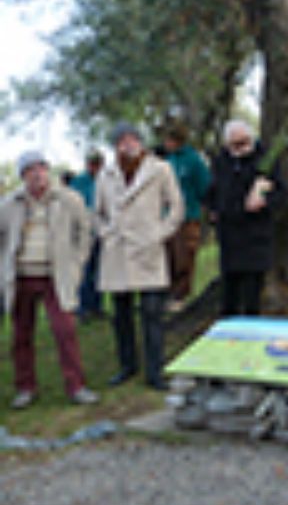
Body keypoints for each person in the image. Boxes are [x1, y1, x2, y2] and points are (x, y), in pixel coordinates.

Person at [0, 150, 100, 408]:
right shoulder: (9, 204)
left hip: (57, 275)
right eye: (30, 170)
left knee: (65, 330)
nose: (37, 174)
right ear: (23, 175)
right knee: (21, 334)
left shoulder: (69, 199)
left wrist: (77, 265)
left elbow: (85, 234)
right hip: (21, 276)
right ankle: (25, 387)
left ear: (48, 170)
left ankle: (76, 386)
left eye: (41, 168)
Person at [95, 122, 183, 391]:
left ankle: (155, 371)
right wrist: (106, 233)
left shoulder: (160, 169)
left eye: (133, 139)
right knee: (121, 314)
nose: (128, 144)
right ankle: (127, 365)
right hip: (117, 251)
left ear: (142, 142)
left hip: (148, 249)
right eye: (122, 140)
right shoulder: (105, 174)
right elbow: (96, 212)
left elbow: (176, 205)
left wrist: (161, 233)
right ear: (115, 145)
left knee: (152, 313)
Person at [205, 120, 285, 317]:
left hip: (255, 237)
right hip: (229, 238)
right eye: (235, 144)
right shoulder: (220, 162)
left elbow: (282, 193)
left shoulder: (265, 160)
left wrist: (263, 201)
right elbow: (211, 192)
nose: (240, 148)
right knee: (229, 295)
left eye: (243, 143)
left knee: (251, 297)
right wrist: (213, 210)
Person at [161, 119, 211, 313]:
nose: (165, 143)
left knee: (184, 257)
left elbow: (205, 187)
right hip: (166, 218)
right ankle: (166, 295)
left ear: (177, 139)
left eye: (168, 139)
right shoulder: (167, 161)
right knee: (168, 258)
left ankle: (180, 296)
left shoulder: (193, 160)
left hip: (188, 216)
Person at [70, 149, 105, 321]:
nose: (95, 167)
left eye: (98, 163)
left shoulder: (106, 180)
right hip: (84, 234)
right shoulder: (78, 182)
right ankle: (82, 308)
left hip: (102, 232)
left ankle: (97, 307)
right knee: (85, 272)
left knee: (100, 272)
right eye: (92, 163)